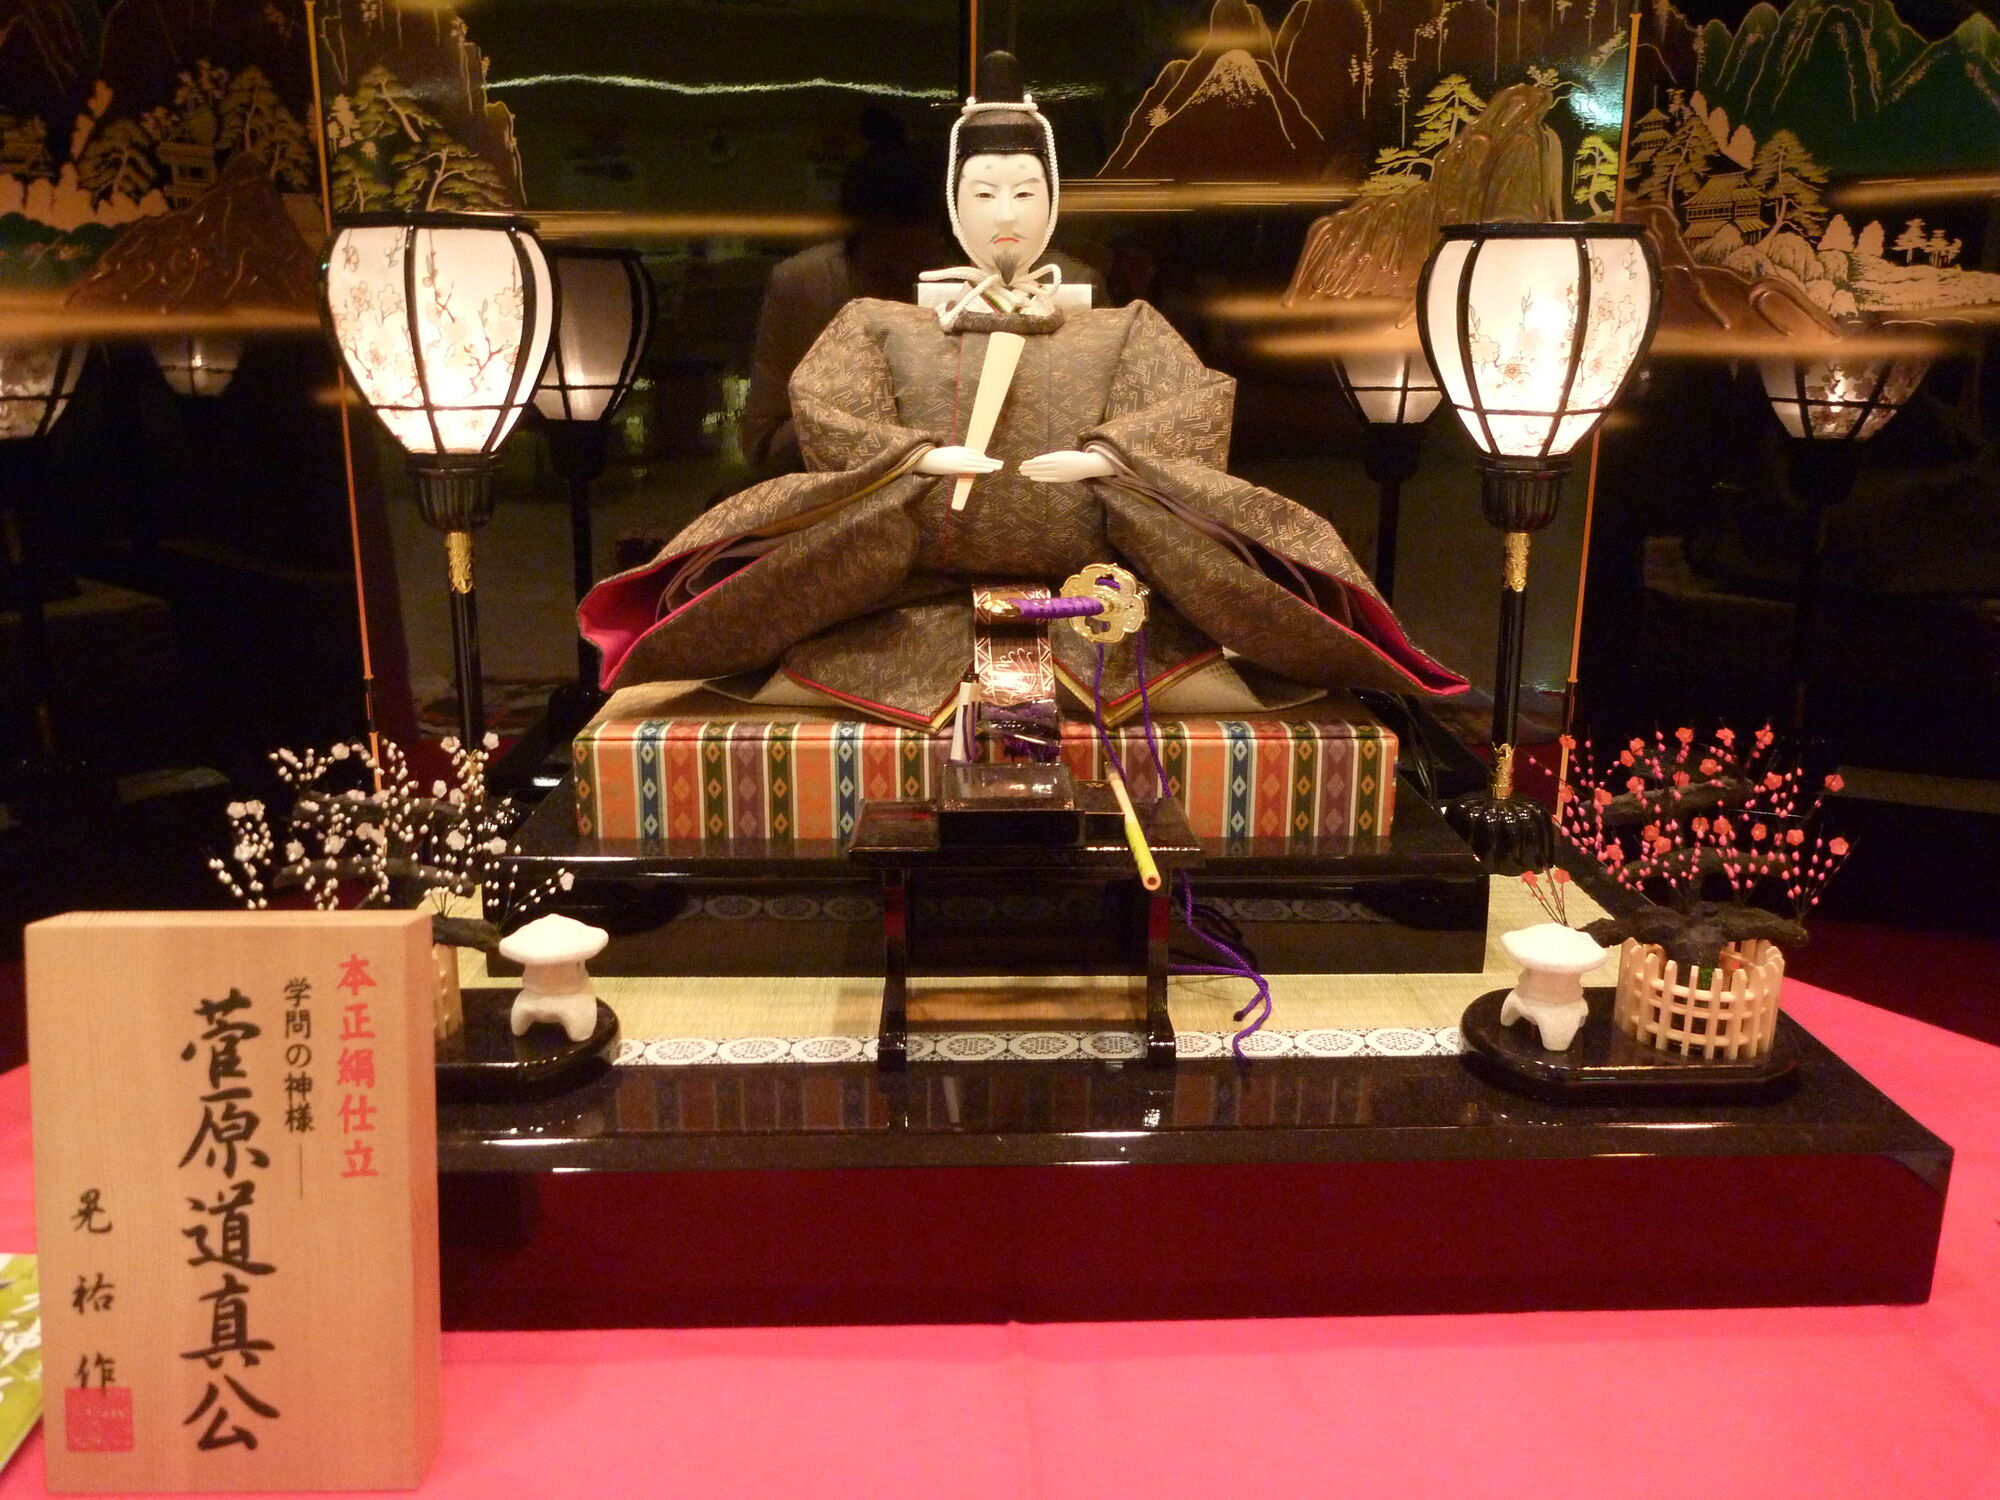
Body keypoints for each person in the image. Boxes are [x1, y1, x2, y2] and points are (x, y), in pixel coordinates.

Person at [583, 53, 1467, 730]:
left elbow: (1189, 410)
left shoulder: (1121, 327)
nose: (1005, 213)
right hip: (902, 604)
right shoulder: (878, 325)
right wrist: (909, 460)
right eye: (984, 192)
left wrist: (1111, 459)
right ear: (952, 205)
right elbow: (827, 409)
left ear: (1052, 202)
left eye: (1025, 191)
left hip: (1097, 609)